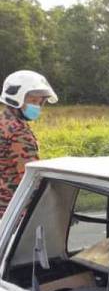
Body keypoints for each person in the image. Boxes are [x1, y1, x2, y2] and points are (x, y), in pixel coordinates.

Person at [0, 70, 58, 218]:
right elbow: (32, 179)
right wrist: (56, 209)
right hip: (11, 212)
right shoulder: (18, 132)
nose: (38, 107)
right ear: (16, 99)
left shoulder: (3, 123)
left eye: (40, 102)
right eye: (33, 101)